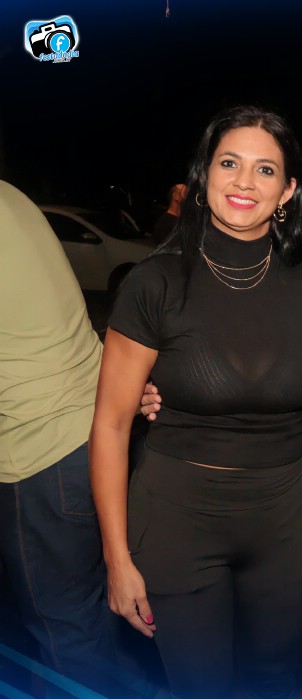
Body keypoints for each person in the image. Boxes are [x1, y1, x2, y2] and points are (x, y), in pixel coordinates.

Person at [90, 106, 302, 699]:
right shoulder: (154, 283)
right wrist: (116, 559)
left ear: (287, 191)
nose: (244, 182)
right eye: (229, 163)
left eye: (265, 170)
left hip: (283, 526)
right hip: (176, 522)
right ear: (204, 175)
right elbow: (110, 425)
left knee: (272, 684)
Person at [0, 180, 117, 695]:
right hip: (87, 436)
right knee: (84, 617)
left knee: (63, 634)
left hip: (39, 452)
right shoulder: (9, 195)